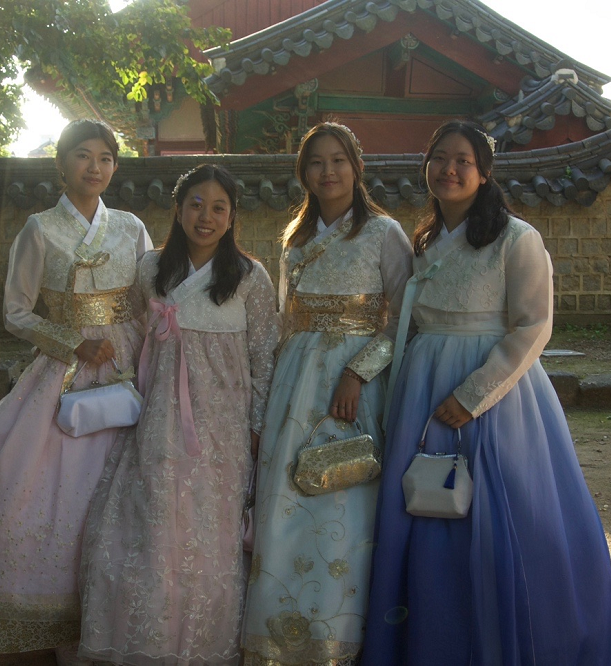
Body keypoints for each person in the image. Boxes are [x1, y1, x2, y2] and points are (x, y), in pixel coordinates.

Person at [362, 120, 611, 665]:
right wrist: (365, 373)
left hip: (493, 393)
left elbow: (533, 326)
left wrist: (473, 395)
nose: (450, 169)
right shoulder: (424, 239)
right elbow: (404, 322)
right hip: (422, 386)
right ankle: (434, 636)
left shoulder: (518, 238)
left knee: (500, 517)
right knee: (425, 505)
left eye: (464, 161)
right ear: (426, 165)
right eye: (440, 158)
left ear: (484, 172)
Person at [0, 120, 152, 661]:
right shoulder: (39, 229)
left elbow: (151, 299)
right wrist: (70, 342)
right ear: (61, 164)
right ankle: (43, 612)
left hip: (127, 363)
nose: (94, 167)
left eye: (105, 157)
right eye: (82, 156)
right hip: (65, 366)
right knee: (29, 481)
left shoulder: (131, 227)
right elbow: (15, 311)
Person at [77, 164, 279, 665]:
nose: (205, 217)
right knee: (155, 520)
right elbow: (129, 338)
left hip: (225, 425)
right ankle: (149, 639)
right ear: (177, 208)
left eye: (218, 207)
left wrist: (258, 427)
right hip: (161, 415)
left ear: (232, 217)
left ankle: (207, 645)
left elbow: (264, 357)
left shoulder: (251, 277)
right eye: (195, 204)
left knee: (214, 528)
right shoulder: (150, 269)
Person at [242, 122, 412, 665]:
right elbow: (285, 318)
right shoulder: (295, 236)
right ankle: (281, 641)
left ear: (356, 167)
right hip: (296, 378)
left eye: (338, 160)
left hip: (355, 384)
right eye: (316, 162)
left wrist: (359, 372)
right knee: (287, 499)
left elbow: (405, 320)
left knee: (346, 496)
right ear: (304, 173)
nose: (328, 171)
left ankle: (341, 637)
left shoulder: (386, 234)